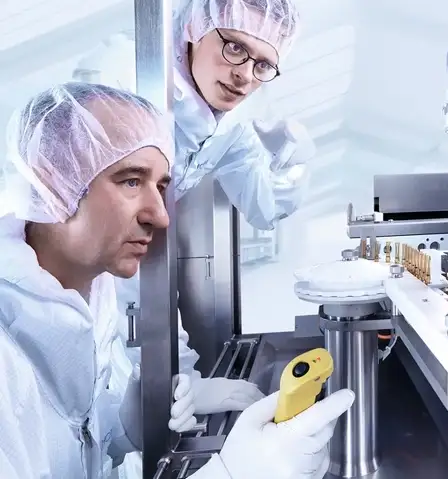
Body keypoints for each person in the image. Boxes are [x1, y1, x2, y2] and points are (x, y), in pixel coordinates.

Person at [0, 82, 355, 479]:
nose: (160, 215)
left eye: (161, 186)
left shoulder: (87, 295)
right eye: (131, 181)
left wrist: (126, 426)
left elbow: (72, 442)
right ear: (54, 180)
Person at [72, 0, 314, 432]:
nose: (244, 74)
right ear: (195, 29)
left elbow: (263, 208)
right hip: (72, 291)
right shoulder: (128, 77)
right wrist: (177, 371)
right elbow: (110, 241)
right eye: (234, 48)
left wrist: (287, 160)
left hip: (122, 297)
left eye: (263, 64)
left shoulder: (231, 123)